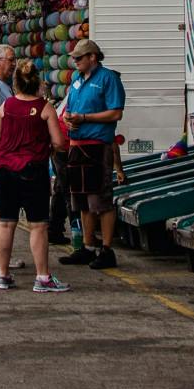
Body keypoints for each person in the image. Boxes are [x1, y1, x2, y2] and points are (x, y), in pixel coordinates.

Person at [0, 61, 70, 293]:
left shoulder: (6, 106)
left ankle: (3, 275)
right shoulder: (45, 108)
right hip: (33, 170)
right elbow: (59, 142)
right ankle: (42, 277)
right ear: (37, 83)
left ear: (15, 83)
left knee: (6, 222)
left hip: (5, 170)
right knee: (38, 226)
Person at [59, 38, 126, 270]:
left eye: (79, 58)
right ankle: (88, 246)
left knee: (101, 199)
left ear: (92, 57)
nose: (75, 62)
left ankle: (106, 249)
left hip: (97, 145)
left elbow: (115, 113)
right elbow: (70, 108)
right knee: (82, 199)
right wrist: (68, 119)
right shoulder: (76, 79)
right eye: (74, 58)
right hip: (77, 144)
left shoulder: (108, 78)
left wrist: (85, 118)